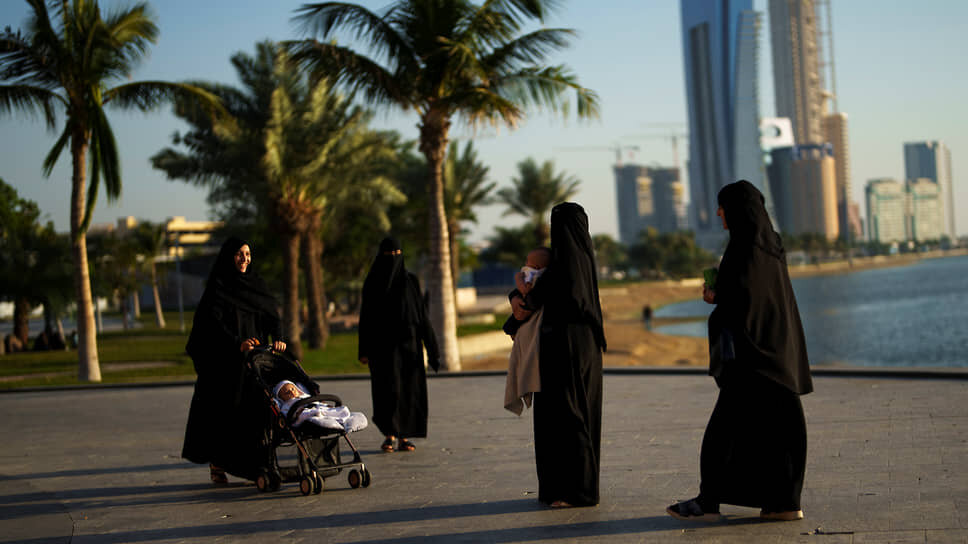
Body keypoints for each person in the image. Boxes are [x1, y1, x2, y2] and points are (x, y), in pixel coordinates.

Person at [666, 180, 813, 522]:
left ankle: (709, 502)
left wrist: (716, 298)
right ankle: (783, 503)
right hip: (777, 355)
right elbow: (758, 301)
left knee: (724, 434)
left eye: (723, 206)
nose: (719, 212)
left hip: (752, 361)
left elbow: (741, 305)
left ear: (737, 209)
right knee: (780, 433)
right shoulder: (770, 247)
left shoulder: (743, 250)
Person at [510, 202, 606, 508]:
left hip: (564, 350)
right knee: (581, 416)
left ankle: (573, 492)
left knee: (565, 419)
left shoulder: (562, 268)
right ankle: (582, 486)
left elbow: (529, 304)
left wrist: (518, 290)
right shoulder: (583, 264)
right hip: (586, 347)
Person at [181, 237, 287, 485]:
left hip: (255, 361)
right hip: (225, 363)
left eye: (248, 254)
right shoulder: (218, 287)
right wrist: (236, 342)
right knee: (224, 413)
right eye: (239, 254)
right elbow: (211, 326)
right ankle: (218, 463)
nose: (244, 259)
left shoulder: (257, 284)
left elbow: (272, 315)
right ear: (230, 256)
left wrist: (279, 338)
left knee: (255, 412)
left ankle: (255, 465)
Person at [358, 237, 440, 453]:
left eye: (397, 254)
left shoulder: (411, 281)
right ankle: (389, 435)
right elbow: (365, 318)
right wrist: (363, 350)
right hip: (381, 348)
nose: (393, 259)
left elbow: (421, 317)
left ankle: (404, 436)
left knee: (409, 392)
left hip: (410, 347)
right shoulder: (373, 281)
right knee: (387, 390)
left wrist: (433, 350)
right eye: (388, 255)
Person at [503, 247, 551, 415]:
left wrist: (522, 289)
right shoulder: (530, 275)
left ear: (537, 266)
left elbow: (529, 299)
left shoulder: (540, 276)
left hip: (530, 319)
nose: (526, 266)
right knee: (512, 325)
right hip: (525, 315)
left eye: (529, 263)